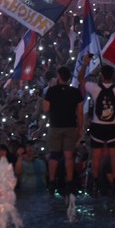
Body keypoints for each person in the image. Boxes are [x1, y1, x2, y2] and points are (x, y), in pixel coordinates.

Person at [79, 63, 115, 192]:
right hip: (113, 127)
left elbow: (80, 79)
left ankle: (95, 181)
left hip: (98, 126)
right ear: (113, 76)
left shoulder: (95, 88)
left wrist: (85, 62)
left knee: (96, 155)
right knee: (114, 155)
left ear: (101, 75)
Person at [43, 66, 84, 196]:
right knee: (68, 155)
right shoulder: (75, 91)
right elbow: (80, 112)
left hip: (55, 126)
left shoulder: (51, 90)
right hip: (71, 126)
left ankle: (51, 182)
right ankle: (70, 182)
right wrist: (80, 128)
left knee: (54, 155)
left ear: (59, 76)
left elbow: (45, 109)